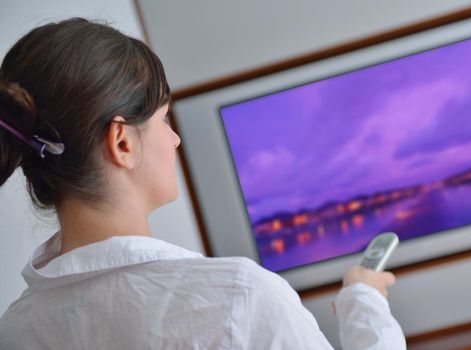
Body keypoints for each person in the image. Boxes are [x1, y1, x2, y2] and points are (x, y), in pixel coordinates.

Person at [0, 18, 406, 349]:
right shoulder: (238, 298)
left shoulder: (14, 331)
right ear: (122, 142)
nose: (174, 138)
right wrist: (365, 306)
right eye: (163, 120)